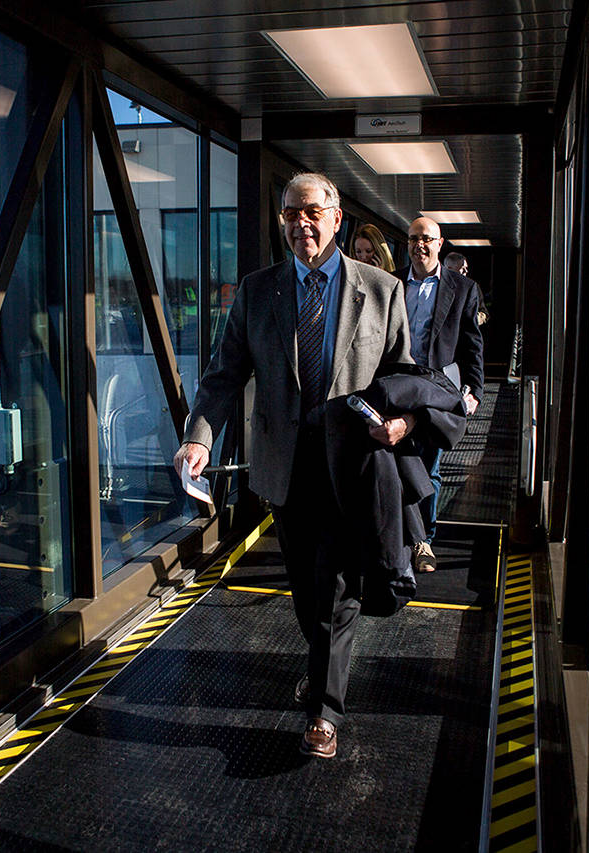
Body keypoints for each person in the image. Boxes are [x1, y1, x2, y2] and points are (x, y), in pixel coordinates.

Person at [173, 172, 412, 760]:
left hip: (351, 464)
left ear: (336, 217)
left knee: (336, 586)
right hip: (285, 469)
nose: (299, 224)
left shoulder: (382, 290)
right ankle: (321, 663)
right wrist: (201, 437)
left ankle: (324, 711)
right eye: (289, 215)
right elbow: (225, 374)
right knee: (305, 586)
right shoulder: (258, 292)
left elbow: (405, 376)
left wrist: (401, 424)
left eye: (310, 212)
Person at [393, 217, 485, 573]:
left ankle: (423, 541)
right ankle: (401, 536)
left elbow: (471, 343)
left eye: (427, 239)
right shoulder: (393, 283)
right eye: (414, 238)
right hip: (396, 387)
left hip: (436, 390)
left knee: (428, 467)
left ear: (439, 243)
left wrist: (475, 390)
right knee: (397, 463)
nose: (420, 245)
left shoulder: (462, 288)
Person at [444, 250, 489, 326]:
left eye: (466, 268)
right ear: (449, 269)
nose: (466, 271)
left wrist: (472, 319)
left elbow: (484, 313)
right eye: (462, 268)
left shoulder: (472, 287)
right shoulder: (438, 286)